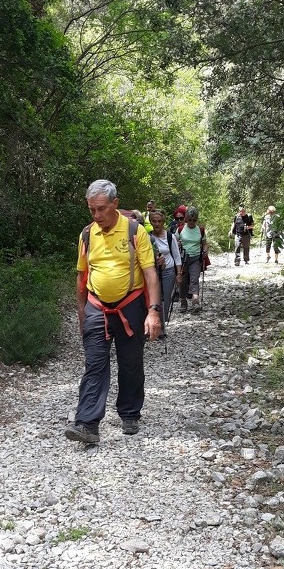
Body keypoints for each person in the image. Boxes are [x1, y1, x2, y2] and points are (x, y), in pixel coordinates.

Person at [67, 180, 162, 445]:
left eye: (101, 209)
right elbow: (81, 275)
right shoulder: (87, 234)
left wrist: (153, 312)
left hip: (130, 304)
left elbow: (150, 273)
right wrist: (82, 312)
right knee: (94, 364)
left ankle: (130, 412)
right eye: (92, 210)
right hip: (97, 306)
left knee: (130, 362)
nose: (97, 216)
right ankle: (87, 424)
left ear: (115, 204)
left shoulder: (135, 231)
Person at [148, 209, 182, 331]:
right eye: (154, 221)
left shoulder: (170, 237)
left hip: (168, 271)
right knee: (153, 298)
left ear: (163, 222)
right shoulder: (147, 237)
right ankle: (154, 325)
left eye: (159, 221)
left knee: (165, 299)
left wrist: (179, 274)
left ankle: (161, 326)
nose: (157, 224)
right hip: (153, 272)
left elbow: (177, 256)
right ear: (151, 222)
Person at [178, 206, 208, 313]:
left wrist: (205, 251)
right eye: (189, 220)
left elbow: (204, 244)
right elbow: (175, 242)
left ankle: (195, 302)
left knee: (194, 279)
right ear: (186, 218)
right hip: (182, 259)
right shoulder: (180, 229)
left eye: (194, 220)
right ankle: (183, 301)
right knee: (183, 281)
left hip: (196, 258)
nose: (191, 222)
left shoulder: (200, 230)